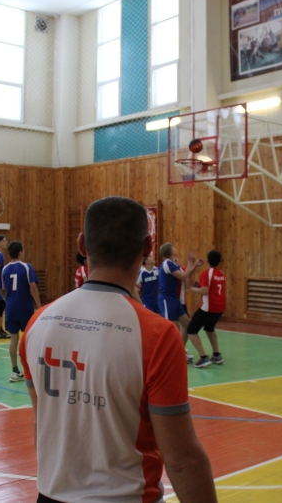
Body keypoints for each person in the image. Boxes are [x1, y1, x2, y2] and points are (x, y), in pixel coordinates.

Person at [20, 197, 217, 503]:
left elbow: (42, 424)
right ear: (147, 248)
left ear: (82, 245)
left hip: (50, 494)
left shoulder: (37, 323)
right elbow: (181, 459)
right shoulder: (158, 336)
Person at [1, 240, 41, 382]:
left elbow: (2, 291)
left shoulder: (5, 269)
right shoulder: (26, 267)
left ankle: (15, 371)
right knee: (29, 339)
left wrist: (9, 302)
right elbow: (33, 287)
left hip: (10, 308)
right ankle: (30, 370)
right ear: (20, 252)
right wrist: (39, 306)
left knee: (14, 339)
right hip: (25, 307)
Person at [158, 242, 203, 364]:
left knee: (187, 324)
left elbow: (185, 275)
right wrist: (190, 262)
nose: (175, 249)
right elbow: (183, 276)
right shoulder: (167, 263)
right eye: (174, 248)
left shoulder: (173, 264)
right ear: (172, 251)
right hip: (167, 299)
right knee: (172, 329)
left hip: (175, 299)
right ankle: (167, 356)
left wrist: (194, 265)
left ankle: (179, 351)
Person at [185, 250, 227, 369]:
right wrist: (199, 287)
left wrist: (191, 288)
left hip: (208, 308)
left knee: (191, 331)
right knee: (209, 328)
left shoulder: (206, 273)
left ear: (207, 260)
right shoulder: (222, 273)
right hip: (220, 308)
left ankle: (203, 358)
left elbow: (205, 291)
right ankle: (217, 355)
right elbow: (212, 289)